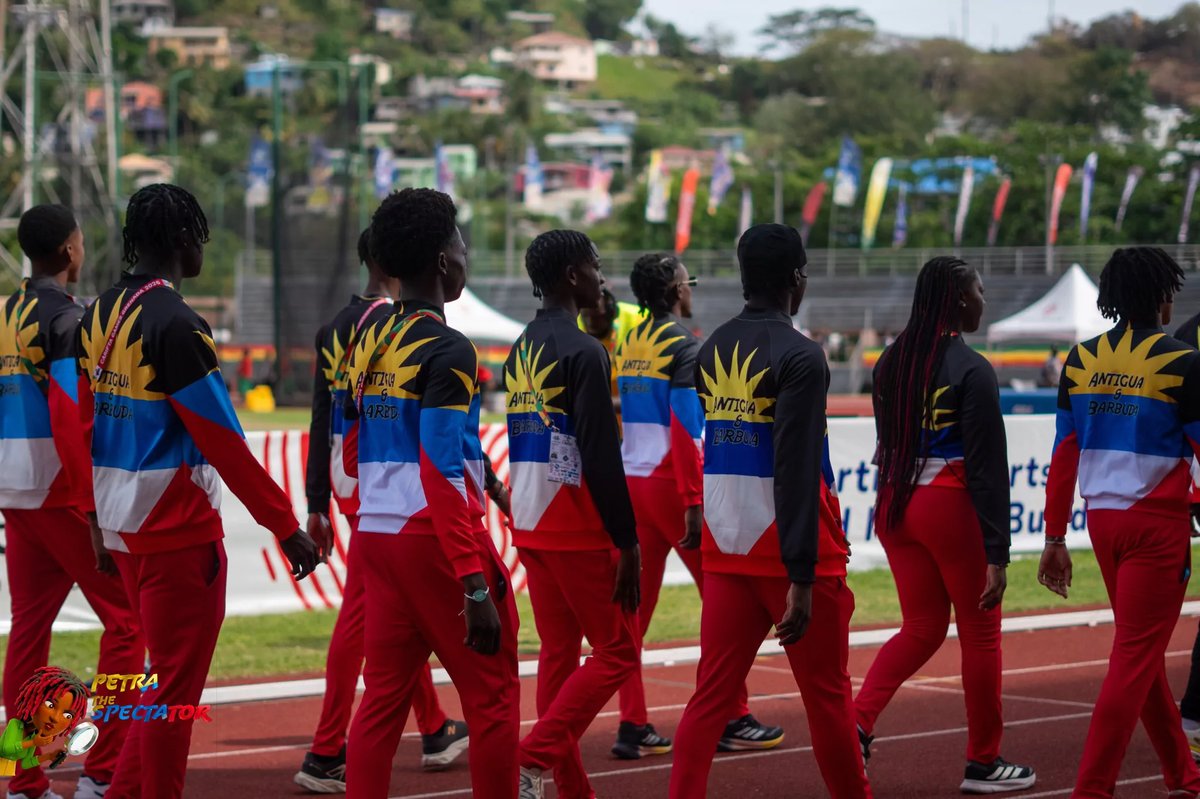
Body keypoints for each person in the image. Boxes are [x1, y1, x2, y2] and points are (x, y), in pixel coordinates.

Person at [76, 184, 320, 799]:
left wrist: (93, 522)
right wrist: (284, 525)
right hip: (175, 531)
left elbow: (83, 427)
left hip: (121, 521)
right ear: (184, 241)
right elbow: (223, 441)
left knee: (156, 685)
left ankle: (115, 787)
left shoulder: (99, 310)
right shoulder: (178, 323)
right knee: (171, 696)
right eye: (201, 238)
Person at [668, 224, 870, 799]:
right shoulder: (803, 356)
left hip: (727, 544)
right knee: (830, 701)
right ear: (797, 279)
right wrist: (802, 576)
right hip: (789, 553)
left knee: (709, 698)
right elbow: (797, 468)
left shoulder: (708, 349)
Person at [342, 188, 519, 799]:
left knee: (381, 704)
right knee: (494, 699)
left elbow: (349, 447)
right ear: (444, 261)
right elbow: (441, 468)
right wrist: (472, 582)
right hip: (436, 545)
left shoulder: (367, 338)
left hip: (378, 538)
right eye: (461, 243)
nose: (465, 254)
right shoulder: (451, 349)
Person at [294, 228, 472, 792]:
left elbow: (323, 419)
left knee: (392, 616)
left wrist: (316, 501)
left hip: (358, 483)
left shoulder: (337, 329)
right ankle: (325, 750)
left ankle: (434, 725)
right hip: (394, 491)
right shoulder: (393, 327)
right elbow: (441, 436)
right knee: (364, 616)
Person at [853, 256, 1035, 794]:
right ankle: (984, 761)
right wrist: (998, 553)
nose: (984, 299)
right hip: (947, 506)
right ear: (958, 298)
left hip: (894, 503)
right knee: (981, 636)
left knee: (923, 627)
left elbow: (888, 444)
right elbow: (986, 467)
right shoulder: (971, 367)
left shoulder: (888, 360)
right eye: (979, 289)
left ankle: (855, 720)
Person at [1040, 246, 1200, 799]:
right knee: (1134, 657)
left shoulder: (1080, 360)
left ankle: (1183, 773)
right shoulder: (1184, 362)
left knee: (1141, 651)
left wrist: (1054, 537)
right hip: (1157, 528)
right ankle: (1092, 789)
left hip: (1101, 526)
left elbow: (1063, 454)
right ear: (1164, 295)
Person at [611, 253, 783, 760]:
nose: (692, 290)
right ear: (672, 292)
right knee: (725, 603)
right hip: (671, 486)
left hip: (635, 482)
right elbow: (687, 429)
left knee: (632, 613)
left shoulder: (631, 341)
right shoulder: (683, 346)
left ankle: (632, 723)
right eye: (689, 282)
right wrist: (691, 500)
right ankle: (732, 715)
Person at [1, 205, 143, 799]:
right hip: (60, 492)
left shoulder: (5, 313)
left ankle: (21, 778)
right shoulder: (67, 318)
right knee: (129, 624)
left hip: (14, 488)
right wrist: (91, 507)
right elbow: (67, 412)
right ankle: (103, 772)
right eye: (80, 243)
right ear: (68, 253)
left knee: (28, 632)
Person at [505, 230, 641, 799]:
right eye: (595, 267)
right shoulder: (586, 351)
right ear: (570, 276)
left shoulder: (520, 346)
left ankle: (570, 788)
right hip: (577, 525)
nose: (602, 280)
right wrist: (627, 542)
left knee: (559, 657)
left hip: (532, 520)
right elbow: (601, 454)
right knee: (617, 653)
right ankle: (532, 756)